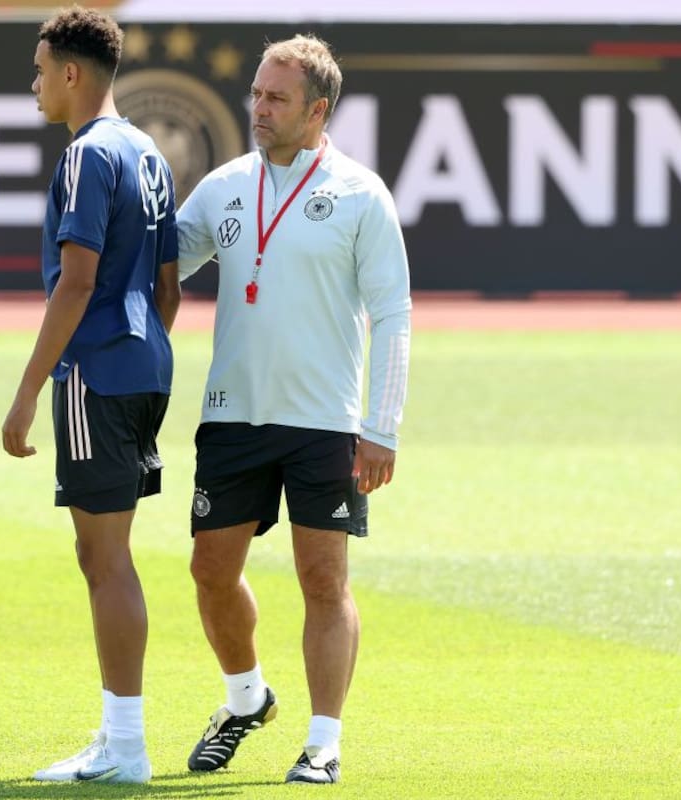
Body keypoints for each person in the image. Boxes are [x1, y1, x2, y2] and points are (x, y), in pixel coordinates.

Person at [175, 34, 411, 785]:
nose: (258, 108)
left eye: (276, 98)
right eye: (256, 92)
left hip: (324, 423)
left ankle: (323, 740)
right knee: (211, 572)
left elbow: (394, 313)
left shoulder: (361, 193)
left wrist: (381, 426)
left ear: (318, 110)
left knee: (322, 580)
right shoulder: (221, 188)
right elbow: (160, 265)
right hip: (233, 413)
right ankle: (246, 699)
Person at [1, 5, 180, 785]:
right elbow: (169, 288)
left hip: (95, 375)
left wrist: (28, 389)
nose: (34, 83)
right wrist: (142, 344)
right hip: (145, 369)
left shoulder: (85, 156)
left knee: (106, 561)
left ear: (72, 74)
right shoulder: (150, 153)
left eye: (40, 70)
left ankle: (128, 748)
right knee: (103, 554)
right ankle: (117, 738)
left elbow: (75, 283)